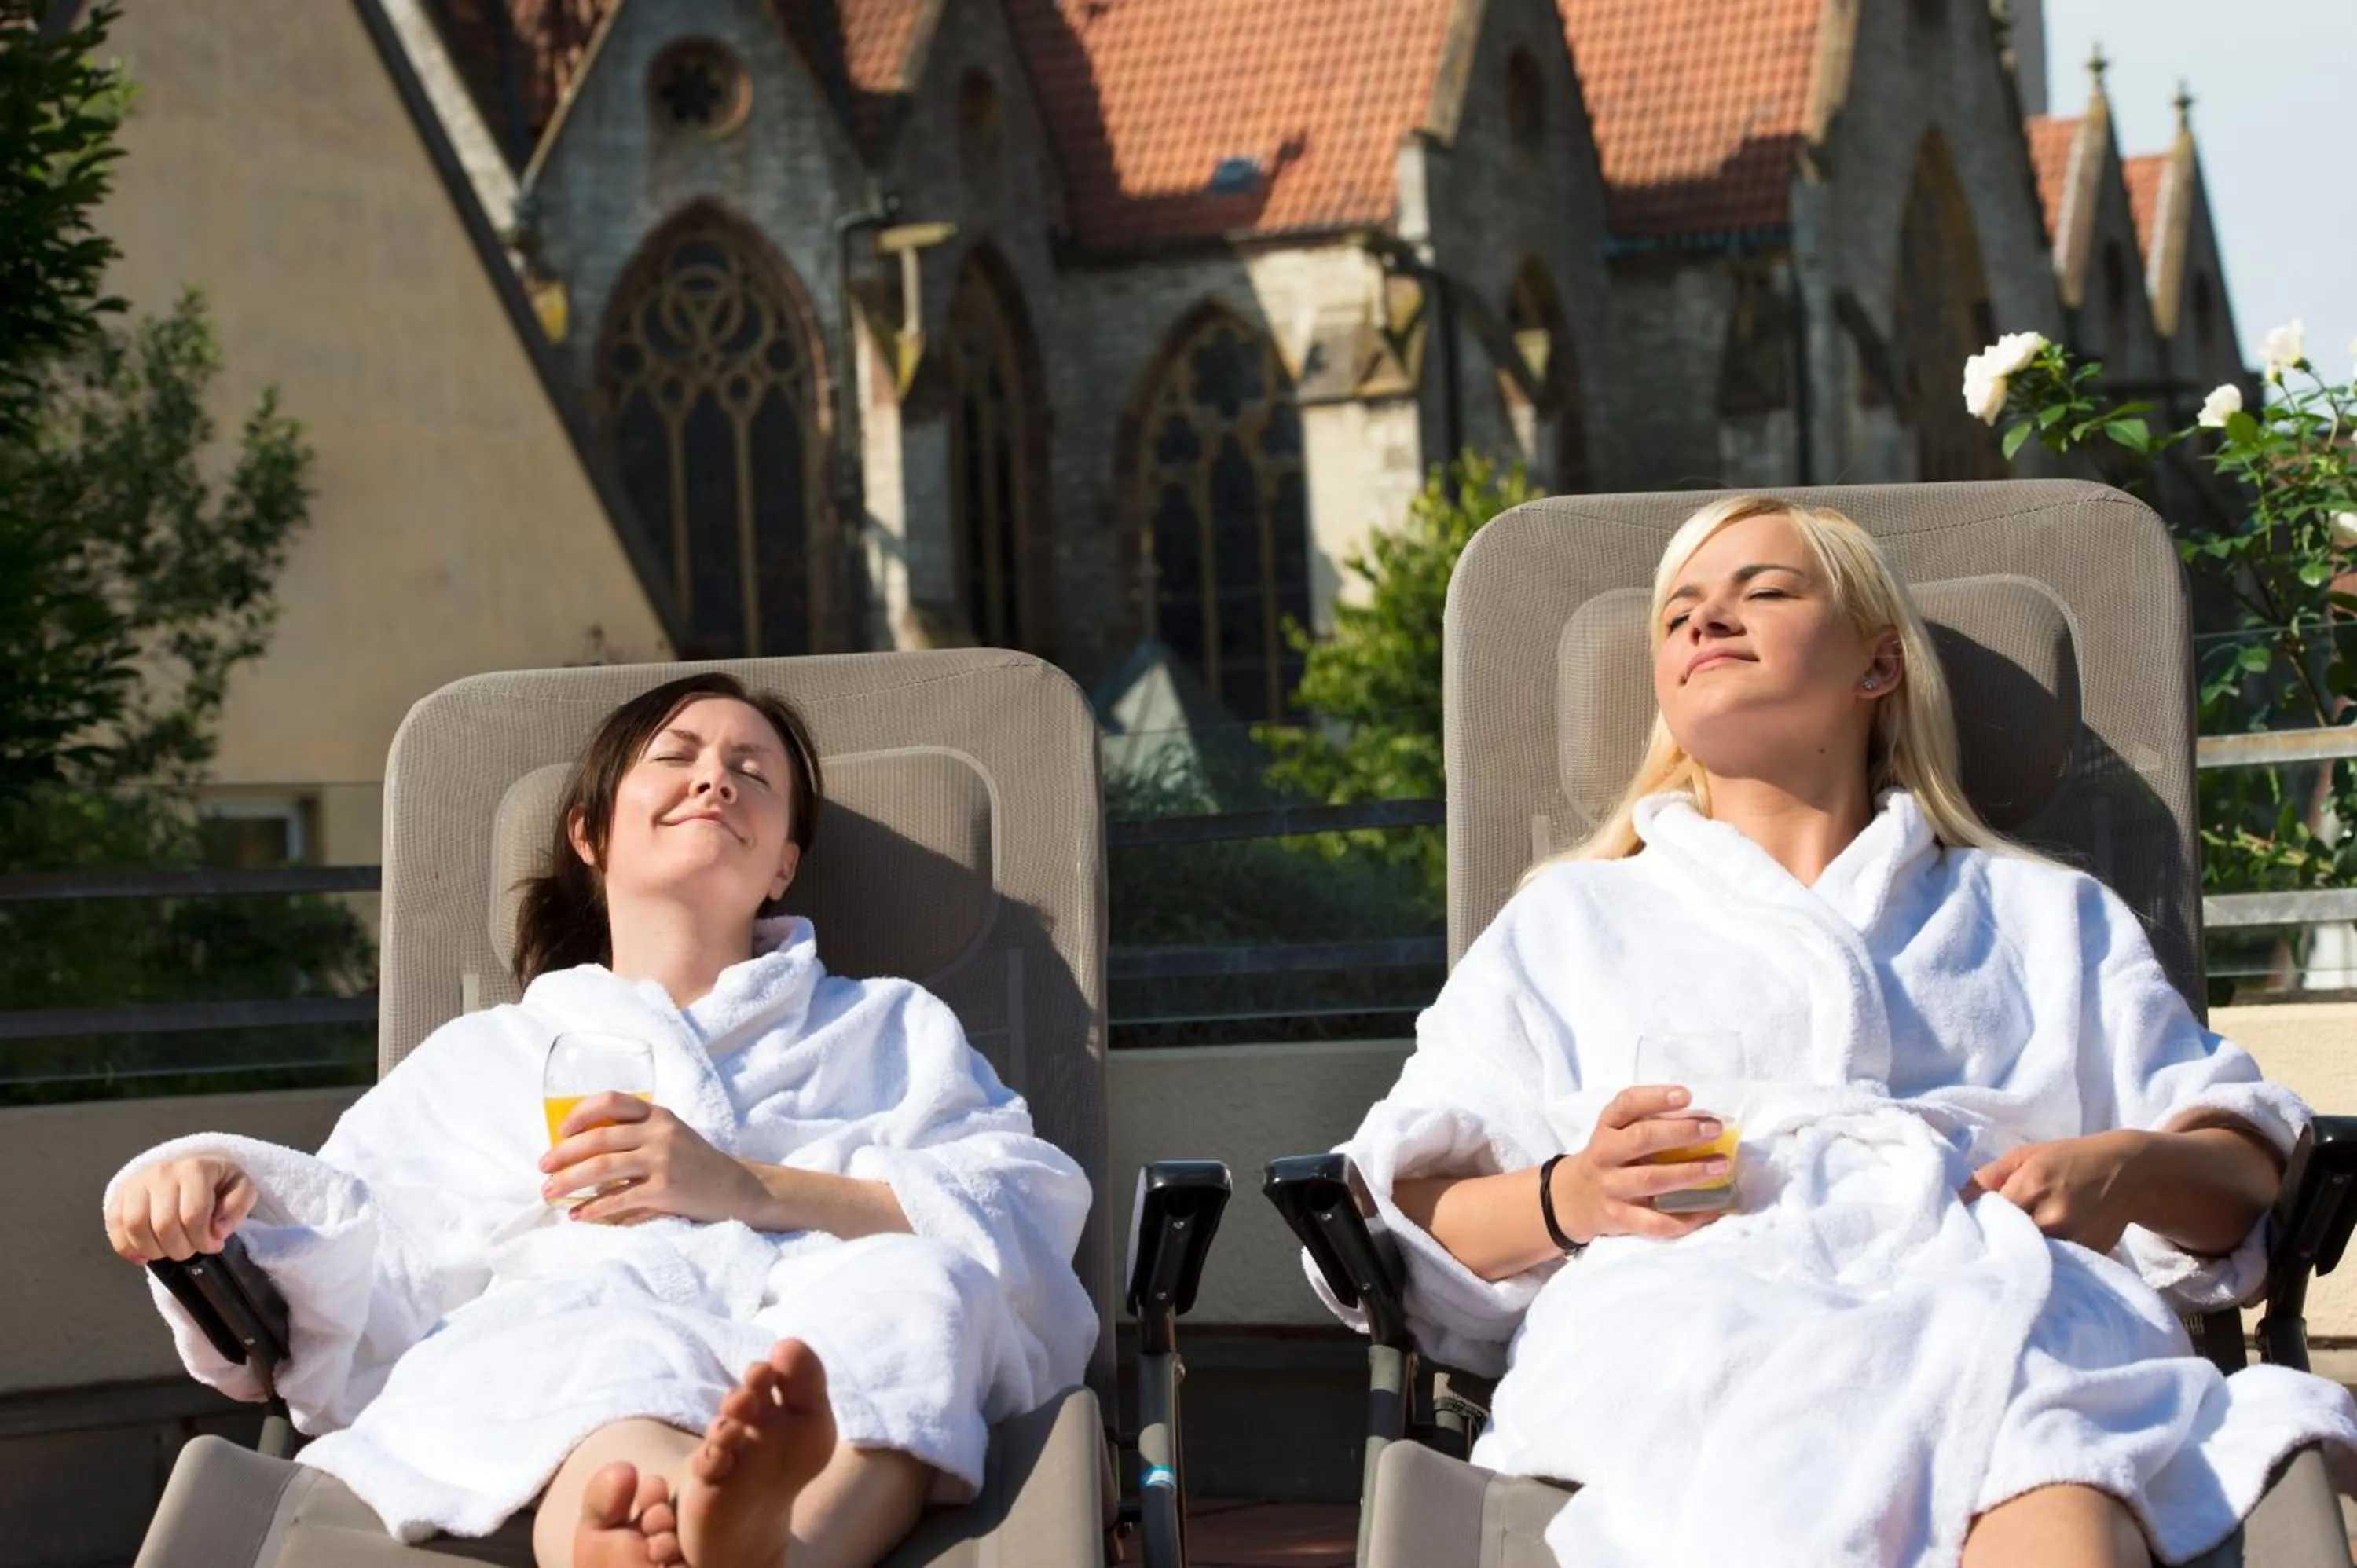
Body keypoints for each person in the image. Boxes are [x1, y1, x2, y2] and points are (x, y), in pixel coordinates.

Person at [1320, 496, 2357, 1567]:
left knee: (2057, 1473)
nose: (1705, 620)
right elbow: (1396, 1209)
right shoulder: (1570, 924)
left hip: (2007, 1311)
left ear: (1879, 664)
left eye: (1764, 590)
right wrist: (1573, 1194)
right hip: (1691, 1334)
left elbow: (2249, 1176)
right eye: (1677, 614)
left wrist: (2126, 1169)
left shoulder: (2043, 916)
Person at [102, 672, 1097, 1568]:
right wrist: (221, 1190)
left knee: (921, 1294)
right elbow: (371, 1245)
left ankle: (747, 1536)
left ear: (783, 865)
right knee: (589, 1343)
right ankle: (690, 1525)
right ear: (590, 833)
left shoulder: (885, 1026)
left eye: (753, 772)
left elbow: (1014, 1205)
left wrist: (744, 1187)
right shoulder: (488, 1053)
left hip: (818, 1338)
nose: (716, 780)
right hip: (582, 1340)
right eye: (677, 756)